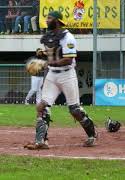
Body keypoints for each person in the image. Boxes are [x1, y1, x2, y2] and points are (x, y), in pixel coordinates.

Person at [24, 11, 97, 150]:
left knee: (74, 110)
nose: (46, 20)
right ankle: (41, 141)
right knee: (41, 107)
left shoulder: (68, 37)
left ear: (57, 21)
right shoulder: (49, 36)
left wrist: (48, 64)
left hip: (67, 75)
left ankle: (92, 135)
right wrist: (44, 55)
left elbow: (68, 59)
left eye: (49, 18)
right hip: (52, 75)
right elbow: (54, 53)